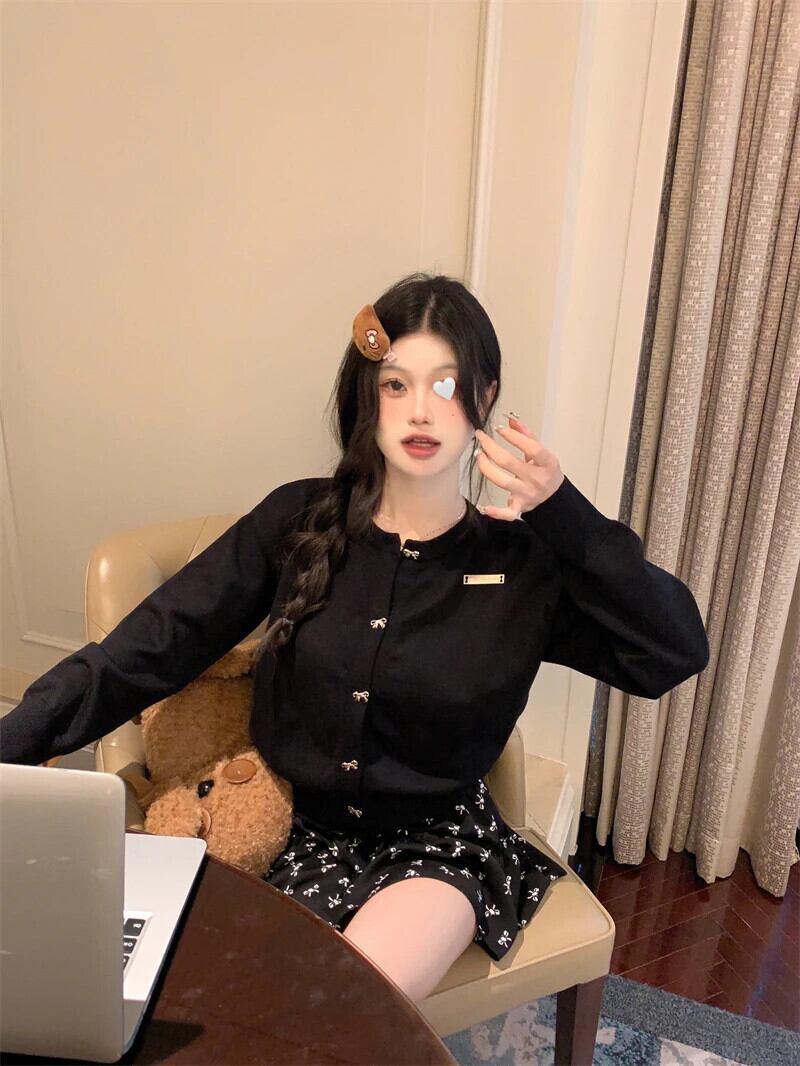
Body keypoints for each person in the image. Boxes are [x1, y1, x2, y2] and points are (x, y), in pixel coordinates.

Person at [0, 271, 710, 1005]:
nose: (420, 409)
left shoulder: (523, 566)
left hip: (435, 844)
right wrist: (13, 742)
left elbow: (672, 652)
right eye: (397, 384)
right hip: (276, 818)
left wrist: (566, 515)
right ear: (369, 394)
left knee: (338, 1008)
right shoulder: (296, 522)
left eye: (445, 383)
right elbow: (151, 645)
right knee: (196, 1003)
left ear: (486, 396)